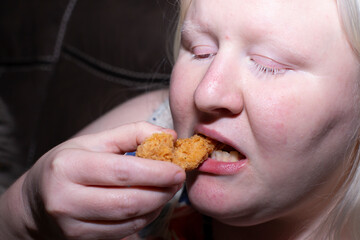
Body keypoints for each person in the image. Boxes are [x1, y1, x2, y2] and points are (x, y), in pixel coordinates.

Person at [1, 0, 360, 239]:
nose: (206, 93)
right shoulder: (152, 123)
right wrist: (27, 214)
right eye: (200, 50)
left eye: (269, 64)